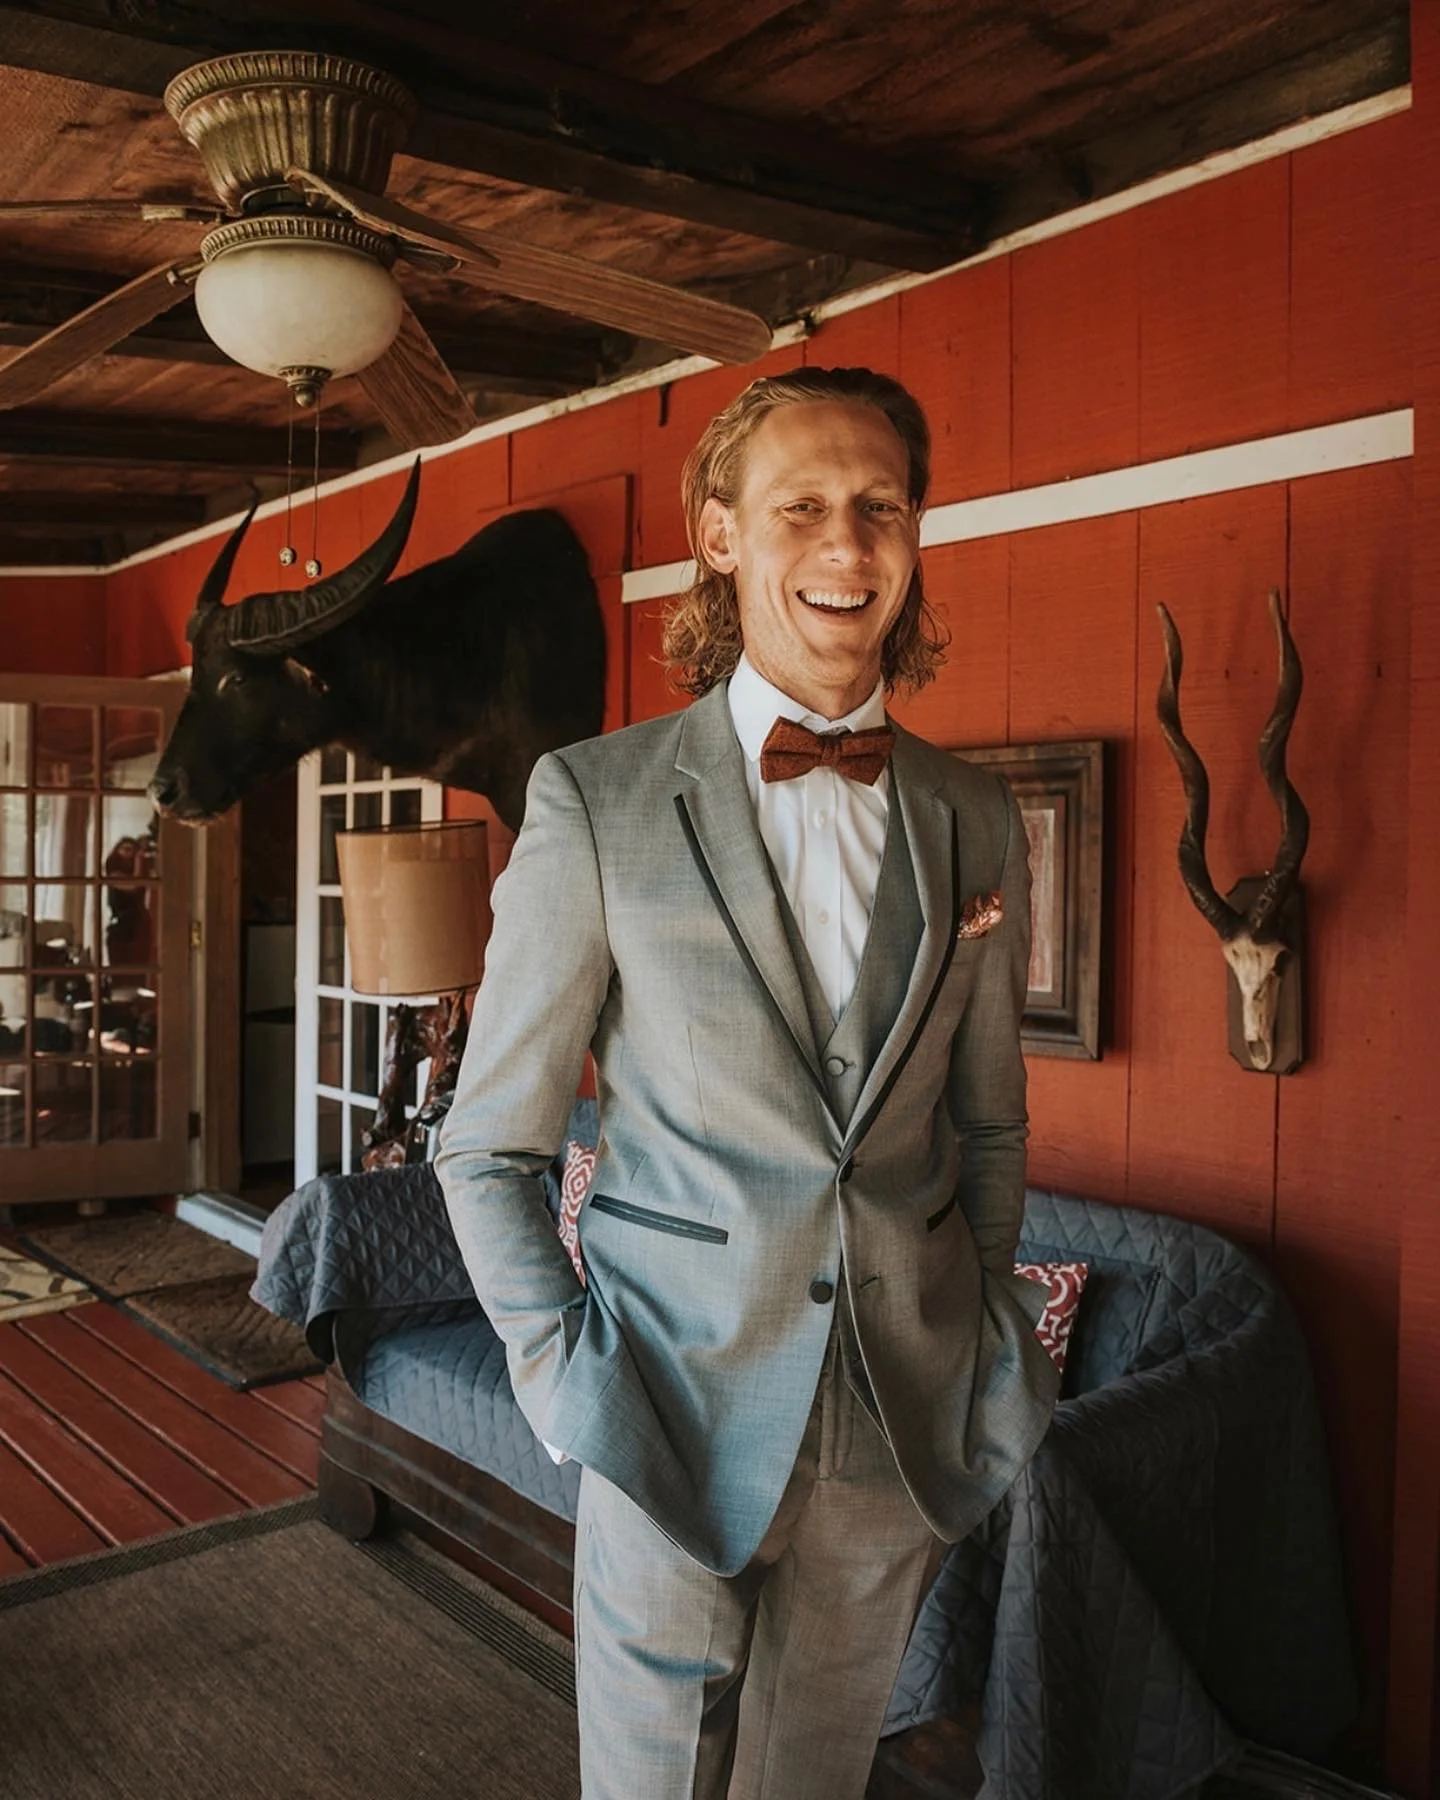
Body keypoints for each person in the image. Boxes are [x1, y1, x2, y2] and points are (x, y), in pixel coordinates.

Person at [435, 365, 1060, 1800]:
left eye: (881, 507)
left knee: (814, 1781)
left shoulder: (974, 816)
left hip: (899, 1421)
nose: (848, 545)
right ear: (719, 534)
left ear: (915, 533)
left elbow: (990, 1120)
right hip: (663, 1406)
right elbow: (489, 1147)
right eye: (802, 508)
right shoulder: (594, 800)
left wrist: (980, 1332)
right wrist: (560, 1378)